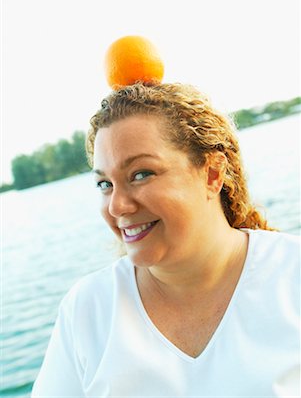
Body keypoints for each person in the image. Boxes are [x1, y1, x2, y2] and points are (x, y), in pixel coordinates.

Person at [32, 82, 299, 397]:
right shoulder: (87, 311)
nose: (117, 206)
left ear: (212, 173)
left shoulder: (292, 275)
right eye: (105, 184)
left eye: (141, 174)